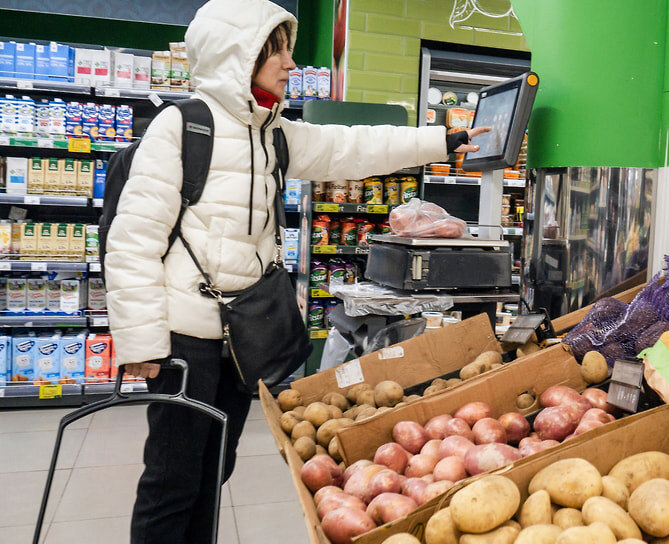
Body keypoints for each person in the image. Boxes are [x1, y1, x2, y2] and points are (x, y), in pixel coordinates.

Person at [104, 1, 488, 541]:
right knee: (172, 481)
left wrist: (439, 140)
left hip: (242, 337)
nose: (288, 63)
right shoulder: (182, 127)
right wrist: (142, 343)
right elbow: (133, 240)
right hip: (183, 340)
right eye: (275, 50)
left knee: (214, 471)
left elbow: (355, 146)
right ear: (239, 56)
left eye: (287, 49)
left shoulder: (274, 133)